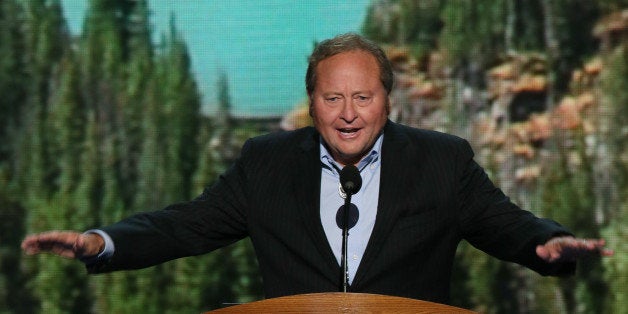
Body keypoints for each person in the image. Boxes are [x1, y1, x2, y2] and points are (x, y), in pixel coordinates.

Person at [21, 33, 612, 304]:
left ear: (388, 100)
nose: (349, 115)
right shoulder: (267, 164)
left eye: (363, 98)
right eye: (333, 99)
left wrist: (549, 243)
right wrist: (100, 242)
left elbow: (504, 223)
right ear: (312, 103)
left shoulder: (442, 160)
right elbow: (184, 225)